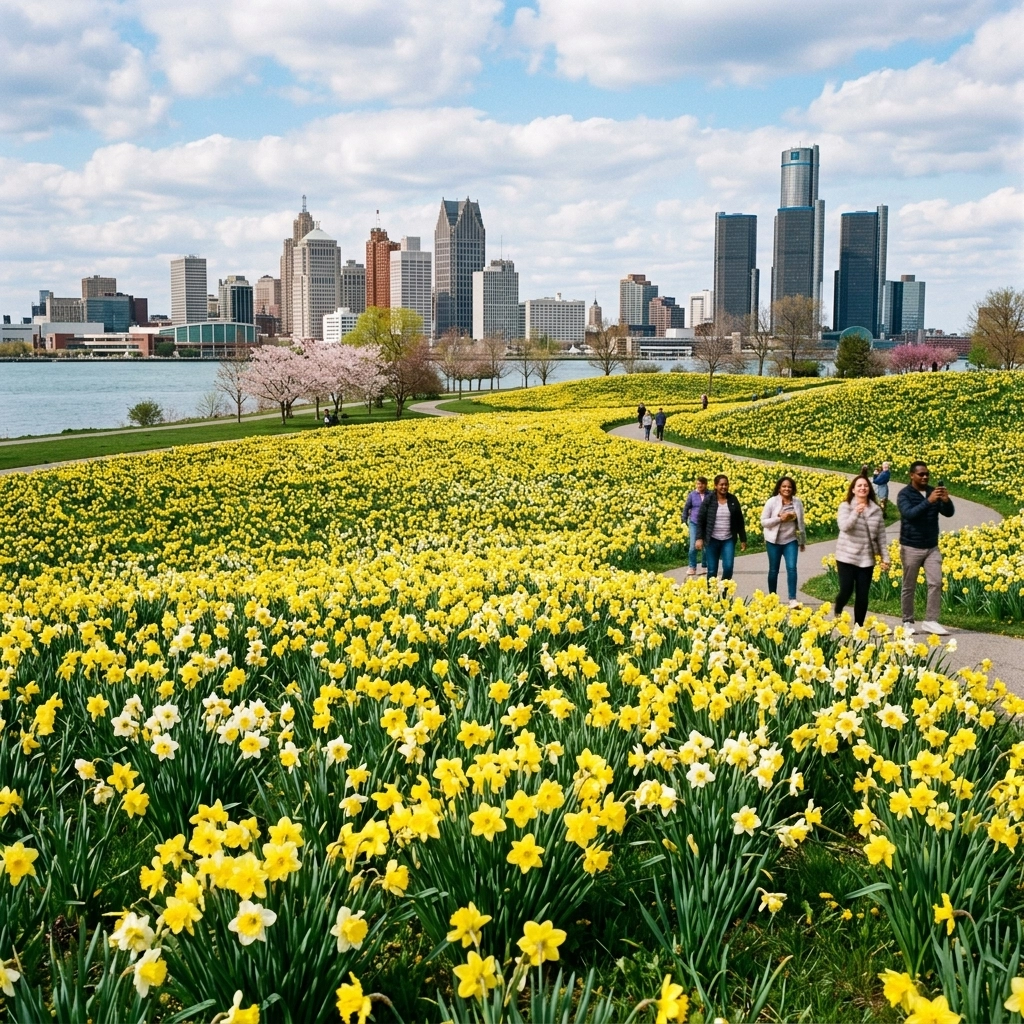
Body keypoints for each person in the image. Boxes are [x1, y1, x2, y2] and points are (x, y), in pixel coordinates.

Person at [897, 461, 954, 635]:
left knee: (936, 582)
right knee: (909, 585)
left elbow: (949, 513)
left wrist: (946, 501)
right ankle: (907, 621)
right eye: (921, 474)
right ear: (911, 475)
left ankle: (931, 621)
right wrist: (929, 502)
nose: (925, 477)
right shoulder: (904, 494)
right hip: (911, 547)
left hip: (931, 547)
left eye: (927, 474)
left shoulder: (932, 492)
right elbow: (910, 514)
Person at [834, 475, 889, 627]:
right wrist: (855, 513)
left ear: (869, 489)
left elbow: (881, 537)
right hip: (846, 555)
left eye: (865, 486)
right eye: (859, 486)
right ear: (853, 490)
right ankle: (838, 607)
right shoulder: (845, 506)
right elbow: (844, 527)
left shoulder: (876, 510)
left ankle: (859, 627)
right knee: (846, 589)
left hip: (866, 558)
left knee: (863, 595)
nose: (863, 488)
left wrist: (886, 558)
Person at [760, 476, 806, 607]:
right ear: (779, 488)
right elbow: (763, 522)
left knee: (792, 568)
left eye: (789, 487)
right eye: (784, 486)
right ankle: (772, 598)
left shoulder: (797, 502)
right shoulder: (772, 502)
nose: (787, 489)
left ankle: (792, 599)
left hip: (790, 540)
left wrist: (802, 541)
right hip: (773, 541)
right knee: (773, 570)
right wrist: (780, 519)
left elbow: (801, 523)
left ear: (793, 489)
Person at [696, 474, 747, 583]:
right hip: (712, 540)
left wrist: (743, 539)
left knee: (728, 568)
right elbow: (701, 519)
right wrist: (699, 538)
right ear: (715, 486)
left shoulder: (733, 499)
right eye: (721, 485)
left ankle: (723, 592)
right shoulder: (709, 500)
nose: (724, 487)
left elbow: (739, 520)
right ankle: (711, 596)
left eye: (726, 484)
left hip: (728, 539)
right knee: (712, 571)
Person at [682, 477, 708, 577]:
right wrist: (684, 518)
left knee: (706, 547)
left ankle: (704, 566)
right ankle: (692, 567)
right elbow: (686, 507)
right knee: (693, 547)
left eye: (701, 484)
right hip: (694, 523)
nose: (699, 486)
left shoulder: (710, 494)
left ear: (706, 484)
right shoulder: (692, 495)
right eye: (698, 484)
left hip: (706, 524)